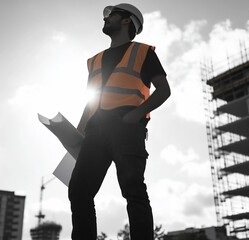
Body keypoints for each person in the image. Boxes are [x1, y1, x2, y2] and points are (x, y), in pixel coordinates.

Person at [68, 3, 171, 240]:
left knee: (133, 189)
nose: (106, 19)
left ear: (126, 21)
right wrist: (78, 131)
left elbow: (164, 90)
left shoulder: (144, 52)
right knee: (79, 191)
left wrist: (136, 114)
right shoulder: (94, 60)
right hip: (95, 132)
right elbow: (92, 100)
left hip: (126, 128)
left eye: (111, 15)